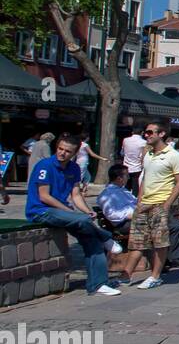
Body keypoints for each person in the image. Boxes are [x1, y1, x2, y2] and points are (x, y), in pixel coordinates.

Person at [27, 134, 122, 296]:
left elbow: (76, 194)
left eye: (67, 151)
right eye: (60, 149)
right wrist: (71, 212)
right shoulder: (45, 166)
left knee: (91, 239)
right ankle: (106, 237)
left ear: (74, 153)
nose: (62, 153)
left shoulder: (74, 168)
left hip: (63, 212)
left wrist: (87, 210)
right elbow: (44, 196)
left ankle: (98, 284)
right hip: (41, 211)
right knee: (83, 221)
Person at [127, 121, 179, 290]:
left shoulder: (174, 155)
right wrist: (139, 198)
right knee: (137, 241)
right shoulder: (148, 155)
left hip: (160, 203)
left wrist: (167, 203)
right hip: (144, 203)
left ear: (161, 134)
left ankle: (155, 276)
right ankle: (126, 275)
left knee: (159, 242)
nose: (146, 135)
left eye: (150, 132)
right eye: (146, 132)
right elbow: (145, 178)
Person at [97, 164, 137, 231]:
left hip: (135, 217)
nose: (129, 178)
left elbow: (134, 202)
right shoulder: (107, 195)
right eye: (127, 176)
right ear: (119, 178)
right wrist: (129, 215)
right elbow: (111, 215)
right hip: (123, 224)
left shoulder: (123, 190)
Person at [120, 126, 147, 194]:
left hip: (126, 166)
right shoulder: (144, 142)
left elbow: (122, 152)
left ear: (132, 132)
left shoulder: (125, 140)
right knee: (135, 187)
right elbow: (144, 155)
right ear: (142, 133)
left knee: (126, 186)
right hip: (137, 167)